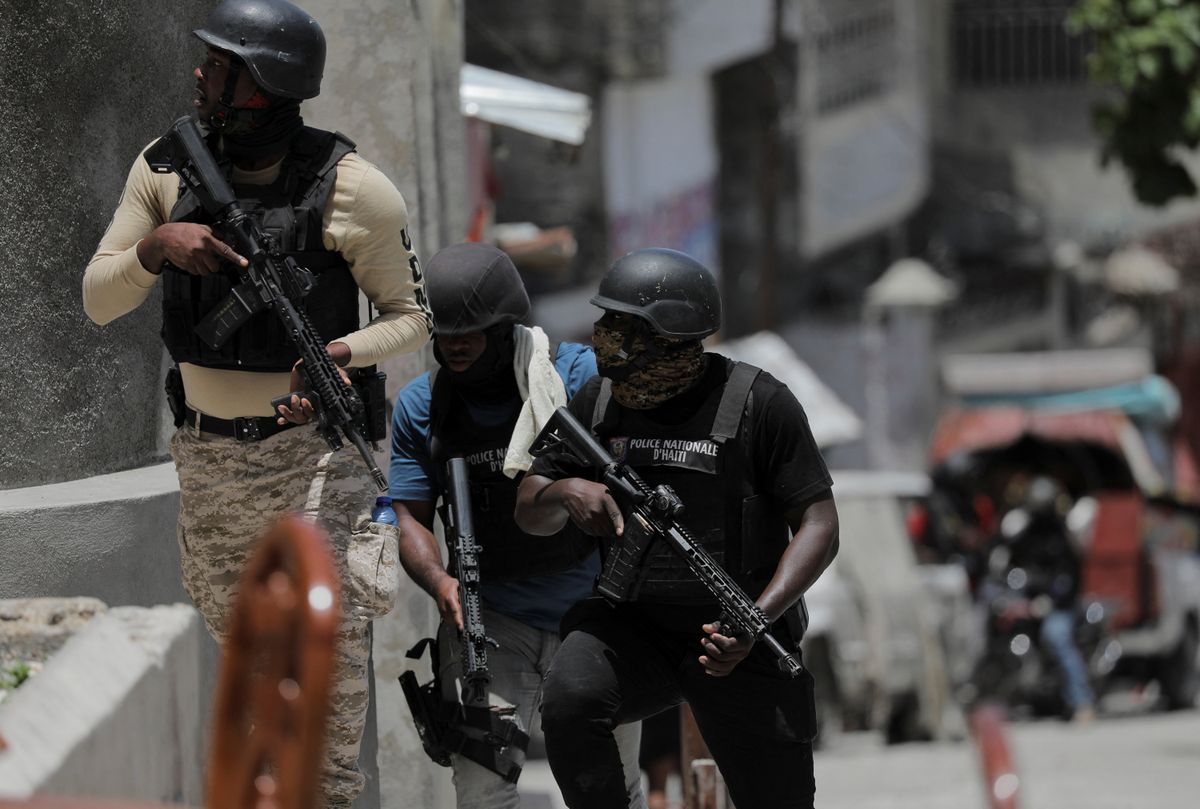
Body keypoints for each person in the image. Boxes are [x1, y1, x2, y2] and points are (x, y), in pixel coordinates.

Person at [81, 1, 432, 805]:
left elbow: (413, 316)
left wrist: (340, 353)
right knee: (248, 685)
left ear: (264, 83)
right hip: (209, 463)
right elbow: (100, 299)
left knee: (327, 695)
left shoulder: (355, 188)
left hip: (317, 463)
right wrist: (153, 248)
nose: (201, 73)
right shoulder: (163, 170)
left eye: (220, 64)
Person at [514, 248, 840, 809]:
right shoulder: (596, 403)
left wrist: (755, 619)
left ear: (664, 336)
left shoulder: (759, 403)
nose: (600, 334)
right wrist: (565, 491)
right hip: (634, 626)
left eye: (619, 324)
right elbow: (529, 507)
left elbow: (819, 524)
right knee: (570, 700)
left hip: (738, 632)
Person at [388, 243, 645, 809]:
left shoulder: (576, 377)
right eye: (445, 333)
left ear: (506, 327)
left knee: (612, 789)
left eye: (472, 332)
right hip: (491, 625)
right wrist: (440, 582)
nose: (455, 345)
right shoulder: (422, 406)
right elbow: (409, 514)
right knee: (483, 792)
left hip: (592, 615)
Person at [1004, 475, 1096, 721]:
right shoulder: (1026, 535)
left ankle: (1082, 702)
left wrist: (1050, 600)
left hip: (1060, 607)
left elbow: (1067, 579)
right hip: (1030, 604)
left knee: (1055, 636)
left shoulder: (1062, 537)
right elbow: (1012, 566)